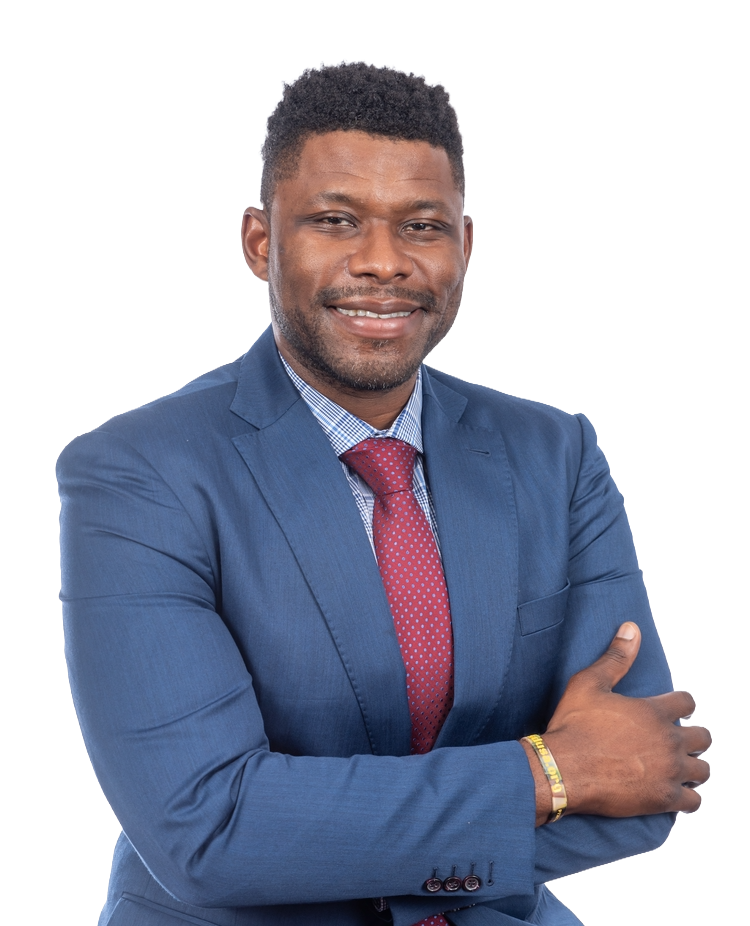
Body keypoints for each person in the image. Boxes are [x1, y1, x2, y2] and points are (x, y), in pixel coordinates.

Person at [58, 60, 710, 926]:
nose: (383, 262)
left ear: (466, 246)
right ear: (261, 243)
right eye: (336, 220)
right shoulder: (139, 472)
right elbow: (207, 833)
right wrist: (549, 775)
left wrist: (321, 839)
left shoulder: (556, 452)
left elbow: (646, 778)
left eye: (422, 226)